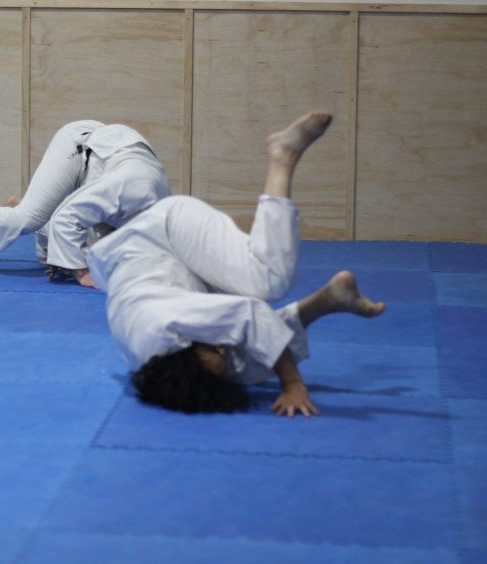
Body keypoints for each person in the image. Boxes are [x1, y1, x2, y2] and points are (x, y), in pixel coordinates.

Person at [86, 112, 386, 416]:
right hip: (160, 271)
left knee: (268, 281)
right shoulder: (159, 367)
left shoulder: (165, 324)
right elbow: (228, 354)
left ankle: (283, 154)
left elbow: (251, 314)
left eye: (209, 350)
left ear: (181, 353)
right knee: (235, 365)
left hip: (166, 235)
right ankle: (329, 300)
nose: (219, 348)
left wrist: (293, 385)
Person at [0, 120, 170, 288]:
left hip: (108, 162)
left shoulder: (163, 219)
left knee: (92, 255)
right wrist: (80, 271)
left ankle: (26, 204)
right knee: (27, 219)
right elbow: (66, 218)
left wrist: (64, 258)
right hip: (80, 145)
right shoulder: (124, 190)